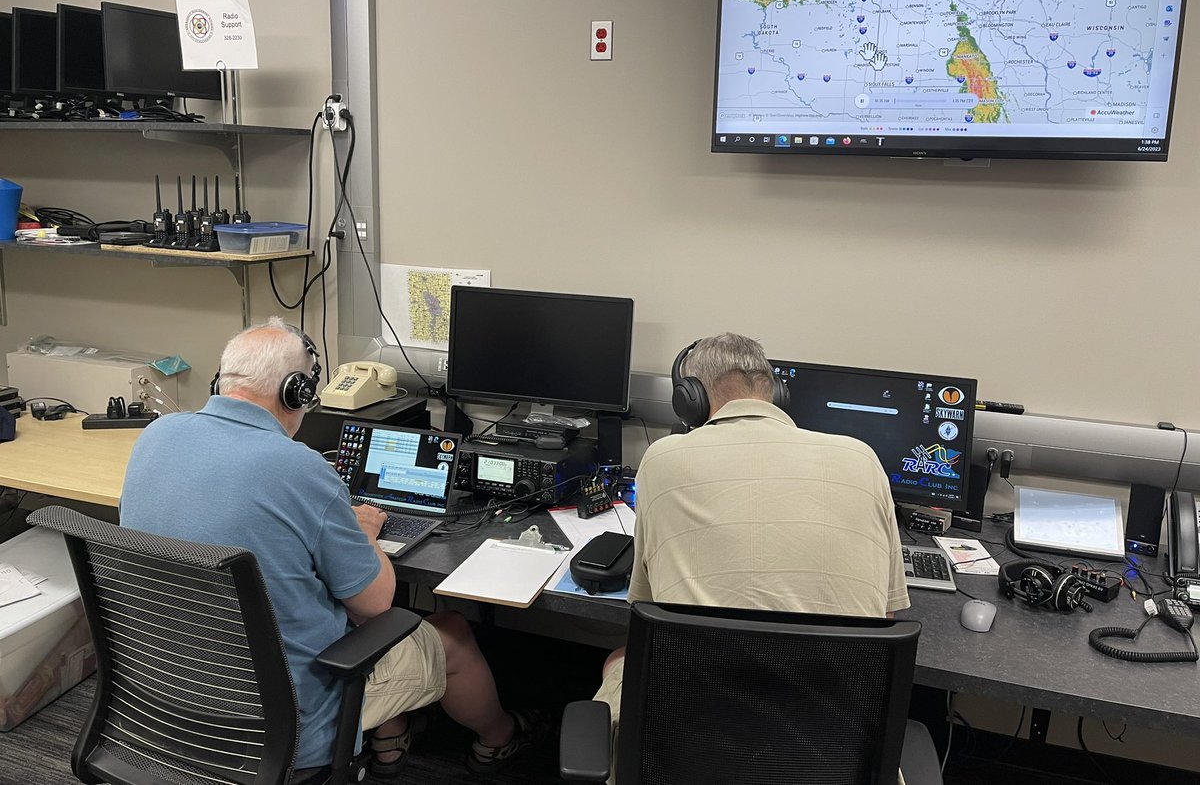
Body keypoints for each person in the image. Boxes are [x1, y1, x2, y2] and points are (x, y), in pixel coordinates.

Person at [121, 318, 542, 778]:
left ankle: (388, 736)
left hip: (166, 692)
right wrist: (363, 533)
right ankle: (499, 739)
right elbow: (377, 602)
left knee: (335, 613)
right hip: (287, 719)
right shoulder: (299, 468)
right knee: (452, 635)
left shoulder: (155, 436)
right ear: (296, 392)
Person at [595, 332, 910, 729]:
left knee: (617, 660)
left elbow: (647, 605)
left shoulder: (662, 459)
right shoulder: (862, 458)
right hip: (830, 738)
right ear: (776, 393)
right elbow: (885, 614)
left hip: (691, 738)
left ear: (689, 400)